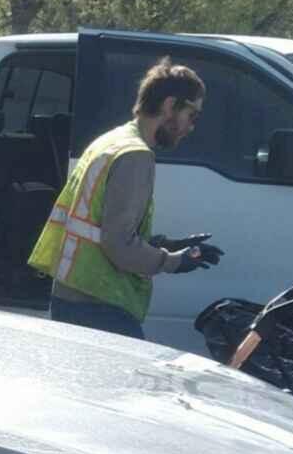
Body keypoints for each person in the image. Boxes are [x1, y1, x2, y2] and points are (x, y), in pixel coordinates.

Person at [28, 57, 221, 339]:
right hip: (99, 302)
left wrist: (161, 244)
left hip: (75, 293)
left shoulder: (111, 141)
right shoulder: (135, 156)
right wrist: (172, 261)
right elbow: (117, 243)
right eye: (193, 115)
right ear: (169, 105)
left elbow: (100, 224)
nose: (191, 127)